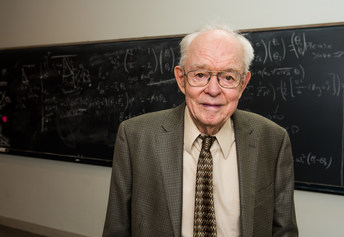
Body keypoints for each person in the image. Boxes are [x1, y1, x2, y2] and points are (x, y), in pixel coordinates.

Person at [103, 24, 298, 237]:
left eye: (228, 77)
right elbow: (117, 230)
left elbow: (284, 231)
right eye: (200, 74)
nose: (213, 90)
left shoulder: (273, 140)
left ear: (243, 84)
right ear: (181, 79)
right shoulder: (135, 137)